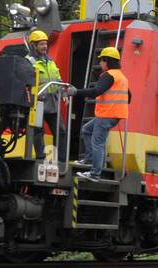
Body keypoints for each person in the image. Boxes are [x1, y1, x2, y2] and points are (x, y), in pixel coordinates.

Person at [64, 46, 129, 180]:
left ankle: (95, 174)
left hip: (106, 114)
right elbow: (130, 96)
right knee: (87, 130)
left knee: (97, 143)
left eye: (102, 61)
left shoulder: (108, 75)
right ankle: (89, 159)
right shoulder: (121, 77)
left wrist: (76, 92)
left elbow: (96, 91)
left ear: (107, 61)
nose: (100, 63)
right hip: (114, 115)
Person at [28, 29, 62, 160]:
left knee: (61, 131)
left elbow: (58, 79)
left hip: (52, 102)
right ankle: (41, 157)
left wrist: (63, 92)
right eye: (41, 44)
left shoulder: (51, 62)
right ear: (33, 46)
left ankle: (60, 158)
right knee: (38, 131)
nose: (45, 47)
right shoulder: (29, 62)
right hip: (38, 103)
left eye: (45, 44)